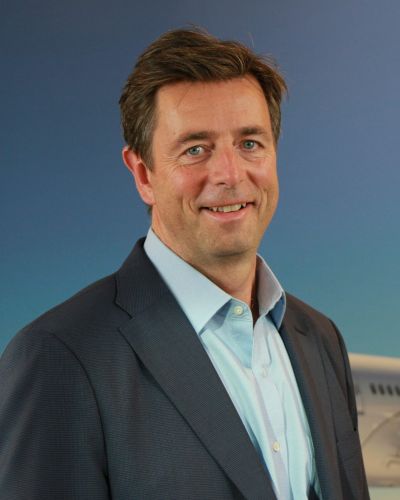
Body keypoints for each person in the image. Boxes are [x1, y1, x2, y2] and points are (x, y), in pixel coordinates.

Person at [0, 28, 368, 500]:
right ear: (143, 174)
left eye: (250, 143)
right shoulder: (60, 358)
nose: (230, 174)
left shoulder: (320, 339)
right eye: (195, 149)